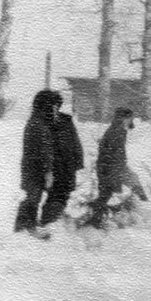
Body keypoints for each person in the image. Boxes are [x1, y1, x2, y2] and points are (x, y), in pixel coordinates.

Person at [88, 108, 148, 228]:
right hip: (110, 170)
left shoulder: (118, 130)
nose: (131, 121)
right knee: (107, 194)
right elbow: (112, 157)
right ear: (124, 118)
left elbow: (114, 156)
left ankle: (143, 207)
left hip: (111, 168)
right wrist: (116, 179)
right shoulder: (117, 132)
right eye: (130, 118)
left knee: (110, 193)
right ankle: (94, 222)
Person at [14, 90, 60, 239]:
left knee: (34, 197)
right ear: (46, 106)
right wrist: (48, 172)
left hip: (32, 168)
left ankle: (23, 229)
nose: (55, 110)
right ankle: (26, 229)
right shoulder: (38, 124)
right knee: (33, 198)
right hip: (35, 170)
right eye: (53, 106)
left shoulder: (36, 121)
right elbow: (44, 151)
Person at [41, 91, 84, 226]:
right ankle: (48, 222)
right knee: (54, 195)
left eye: (55, 105)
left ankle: (56, 221)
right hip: (53, 167)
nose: (53, 107)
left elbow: (75, 142)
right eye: (50, 105)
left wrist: (78, 161)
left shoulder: (66, 120)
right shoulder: (42, 122)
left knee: (65, 194)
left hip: (68, 165)